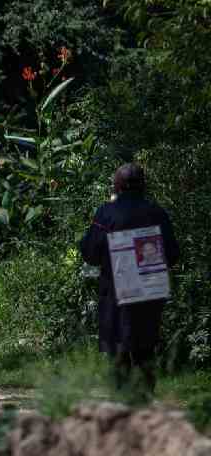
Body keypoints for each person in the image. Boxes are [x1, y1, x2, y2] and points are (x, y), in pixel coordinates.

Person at [80, 162, 180, 393]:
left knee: (118, 347)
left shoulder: (106, 213)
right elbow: (173, 254)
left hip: (116, 293)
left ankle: (122, 403)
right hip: (150, 292)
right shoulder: (157, 213)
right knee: (145, 348)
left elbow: (91, 253)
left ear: (118, 185)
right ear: (143, 185)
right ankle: (145, 403)